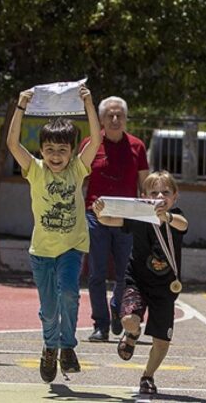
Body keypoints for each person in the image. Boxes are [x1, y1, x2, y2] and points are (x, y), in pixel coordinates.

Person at [7, 84, 101, 383]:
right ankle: (50, 347)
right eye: (50, 150)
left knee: (70, 294)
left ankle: (67, 347)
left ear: (73, 151)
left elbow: (96, 138)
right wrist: (21, 106)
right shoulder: (35, 170)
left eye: (62, 150)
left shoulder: (77, 169)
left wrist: (89, 103)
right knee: (48, 309)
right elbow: (11, 143)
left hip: (72, 246)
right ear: (41, 151)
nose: (56, 155)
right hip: (42, 252)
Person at [92, 171, 188, 395]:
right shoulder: (138, 216)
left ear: (175, 196)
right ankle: (132, 335)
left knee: (162, 340)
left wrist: (168, 217)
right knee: (128, 320)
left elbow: (183, 225)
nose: (159, 196)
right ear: (143, 195)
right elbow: (109, 219)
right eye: (154, 192)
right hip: (137, 280)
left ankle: (147, 376)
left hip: (165, 287)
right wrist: (99, 212)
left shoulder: (176, 217)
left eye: (165, 192)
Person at [82, 96, 150, 342]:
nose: (114, 119)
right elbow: (79, 179)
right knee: (96, 274)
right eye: (109, 115)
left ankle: (118, 309)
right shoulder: (90, 144)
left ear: (125, 118)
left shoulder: (137, 146)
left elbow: (145, 184)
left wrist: (150, 211)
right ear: (100, 119)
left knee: (125, 274)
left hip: (128, 220)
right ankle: (100, 324)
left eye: (119, 115)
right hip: (95, 217)